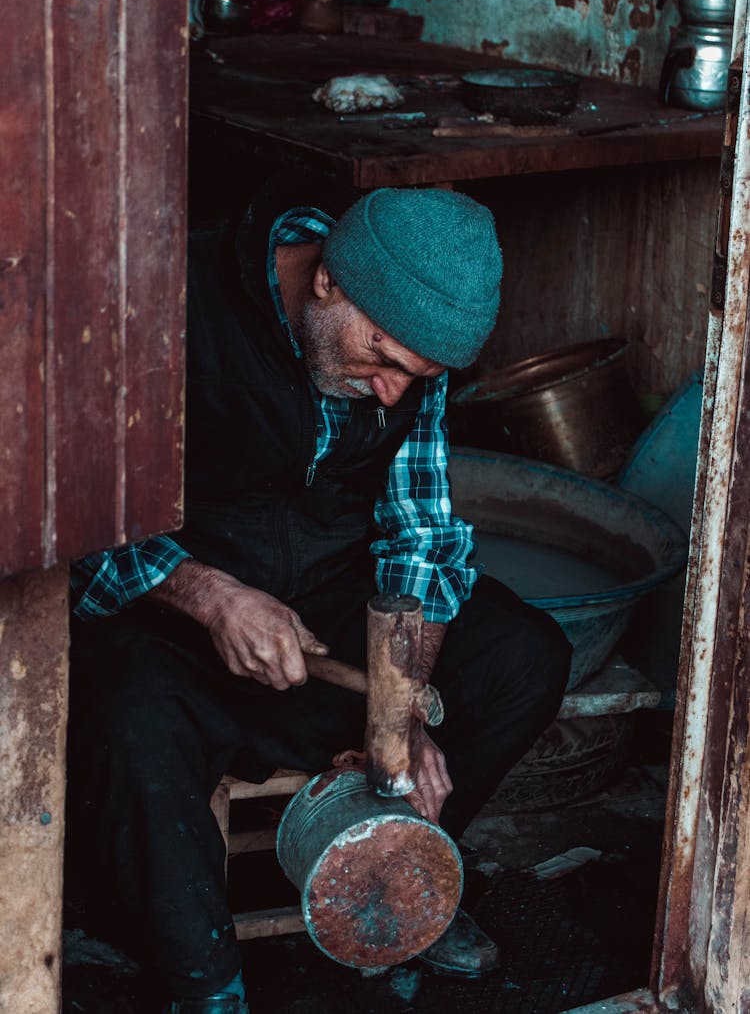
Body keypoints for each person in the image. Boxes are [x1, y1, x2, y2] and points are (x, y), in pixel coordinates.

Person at [66, 176, 571, 1014]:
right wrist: (206, 595)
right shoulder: (163, 301)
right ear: (328, 278)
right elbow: (66, 517)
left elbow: (422, 540)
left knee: (525, 657)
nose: (391, 393)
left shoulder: (407, 353)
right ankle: (205, 979)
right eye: (380, 356)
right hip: (172, 623)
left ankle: (393, 876)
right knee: (128, 716)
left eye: (417, 375)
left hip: (328, 628)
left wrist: (399, 710)